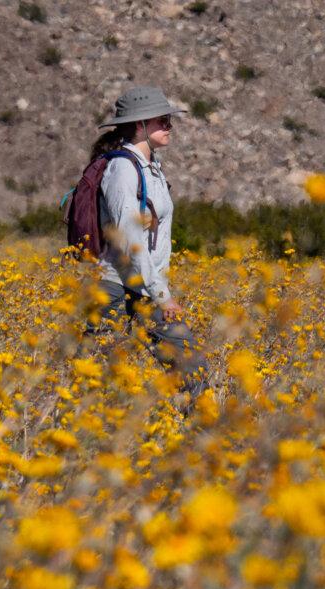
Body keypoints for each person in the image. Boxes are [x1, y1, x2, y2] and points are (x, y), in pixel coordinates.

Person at [86, 87, 209, 403]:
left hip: (144, 287)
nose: (169, 126)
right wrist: (163, 296)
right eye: (162, 120)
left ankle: (199, 440)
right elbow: (130, 240)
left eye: (168, 120)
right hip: (115, 287)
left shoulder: (151, 168)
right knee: (95, 382)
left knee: (192, 365)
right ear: (140, 125)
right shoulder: (122, 169)